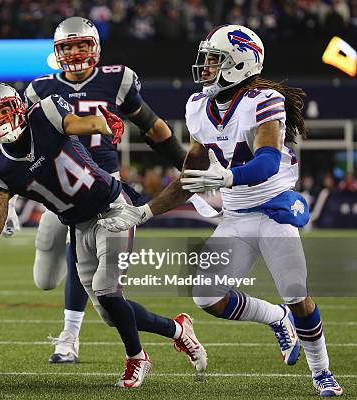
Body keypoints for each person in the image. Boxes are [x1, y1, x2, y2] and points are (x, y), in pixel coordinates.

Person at [97, 24, 343, 397]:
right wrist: (144, 212)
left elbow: (266, 162)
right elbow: (190, 177)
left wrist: (227, 177)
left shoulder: (263, 100)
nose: (206, 66)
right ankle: (277, 319)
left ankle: (321, 371)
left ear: (241, 63)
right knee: (206, 296)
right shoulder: (198, 106)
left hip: (271, 208)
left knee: (295, 290)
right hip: (236, 215)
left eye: (216, 59)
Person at [0, 82, 206, 388]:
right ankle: (178, 330)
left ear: (18, 107)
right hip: (77, 224)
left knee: (107, 291)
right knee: (111, 313)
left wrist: (101, 123)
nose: (3, 121)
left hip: (113, 209)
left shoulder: (45, 113)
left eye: (5, 112)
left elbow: (77, 123)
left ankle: (137, 359)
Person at [2, 16, 188, 364]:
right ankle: (55, 256)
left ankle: (69, 337)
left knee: (84, 260)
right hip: (60, 189)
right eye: (67, 46)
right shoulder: (40, 89)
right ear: (57, 52)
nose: (74, 52)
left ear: (96, 46)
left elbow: (153, 128)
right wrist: (9, 198)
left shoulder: (116, 80)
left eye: (81, 44)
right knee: (44, 279)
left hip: (102, 189)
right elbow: (23, 149)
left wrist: (186, 164)